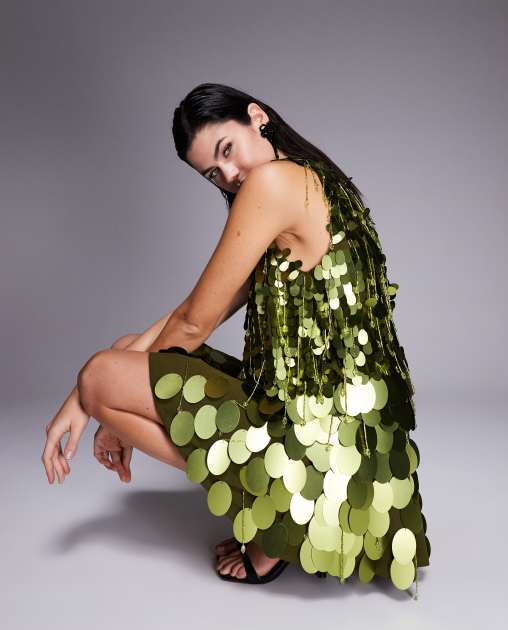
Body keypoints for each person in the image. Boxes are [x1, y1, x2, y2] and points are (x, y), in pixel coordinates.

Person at [42, 82, 430, 598]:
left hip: (315, 442)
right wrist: (87, 399)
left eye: (227, 149)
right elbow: (195, 311)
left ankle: (275, 512)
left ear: (257, 117)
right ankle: (276, 503)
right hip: (346, 438)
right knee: (125, 347)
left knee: (100, 374)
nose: (228, 175)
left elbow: (192, 324)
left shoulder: (271, 183)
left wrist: (96, 405)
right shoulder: (316, 177)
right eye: (212, 173)